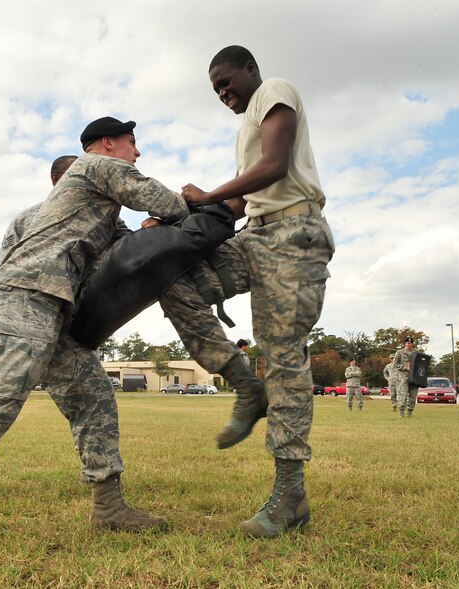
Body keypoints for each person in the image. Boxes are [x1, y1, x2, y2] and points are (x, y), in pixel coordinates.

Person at [0, 117, 190, 556]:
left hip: (56, 305)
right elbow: (162, 200)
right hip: (27, 295)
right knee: (0, 400)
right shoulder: (94, 166)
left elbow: (125, 249)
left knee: (94, 395)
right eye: (132, 144)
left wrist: (150, 234)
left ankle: (109, 505)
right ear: (107, 143)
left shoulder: (98, 210)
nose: (136, 153)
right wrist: (198, 202)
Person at [159, 45, 334, 538]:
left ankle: (290, 498)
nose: (222, 93)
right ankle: (244, 384)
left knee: (282, 357)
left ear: (250, 70)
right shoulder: (244, 131)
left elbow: (275, 165)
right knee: (171, 277)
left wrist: (207, 193)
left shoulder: (273, 92)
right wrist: (178, 217)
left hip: (293, 236)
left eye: (226, 81)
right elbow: (237, 203)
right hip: (255, 235)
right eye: (214, 89)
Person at [0, 155, 81, 503]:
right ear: (57, 182)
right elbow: (4, 275)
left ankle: (102, 481)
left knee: (92, 399)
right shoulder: (27, 219)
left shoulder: (99, 218)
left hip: (67, 325)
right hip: (22, 322)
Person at [392, 337, 419, 418]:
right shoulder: (399, 352)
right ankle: (401, 412)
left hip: (414, 377)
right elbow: (395, 364)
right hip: (404, 376)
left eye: (410, 343)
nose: (408, 344)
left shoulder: (416, 353)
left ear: (412, 344)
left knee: (413, 395)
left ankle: (410, 412)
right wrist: (405, 367)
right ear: (404, 344)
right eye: (406, 343)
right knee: (403, 395)